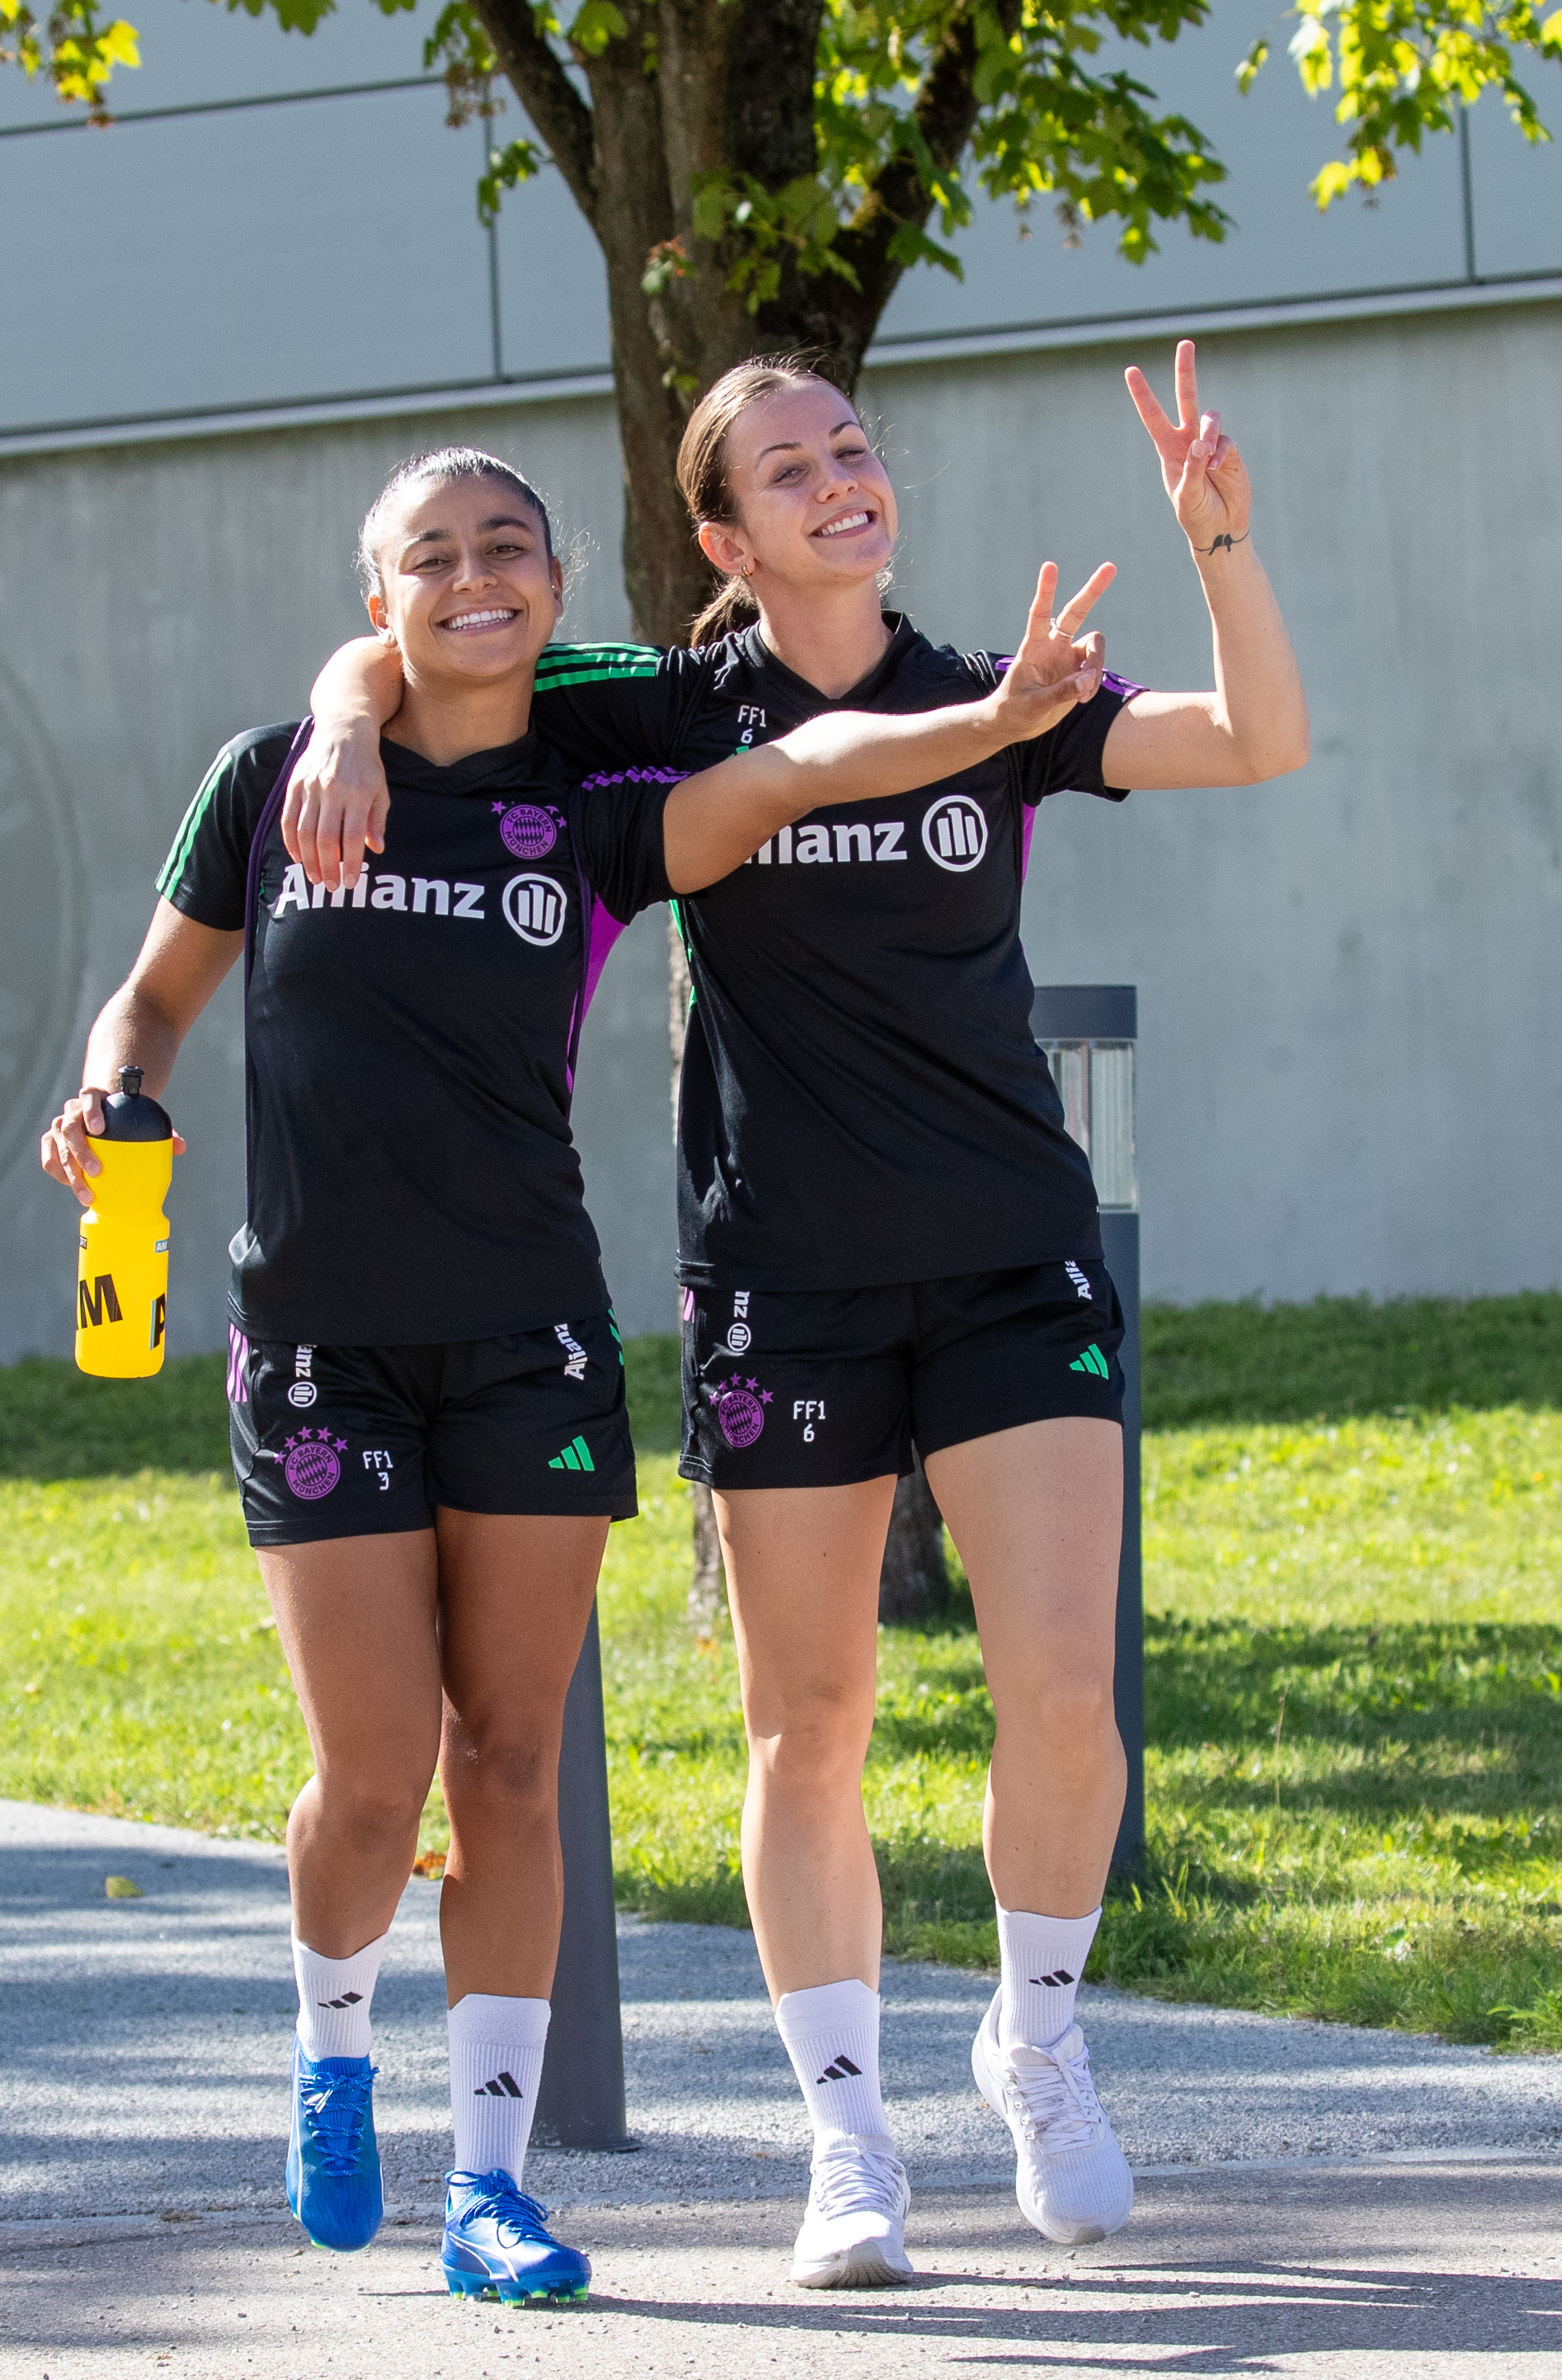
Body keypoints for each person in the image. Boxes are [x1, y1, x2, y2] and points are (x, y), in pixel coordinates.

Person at [279, 343, 1310, 2284]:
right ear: (720, 537)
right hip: (780, 1279)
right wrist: (342, 708)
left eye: (852, 446)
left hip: (1011, 1251)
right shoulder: (658, 710)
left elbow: (1255, 739)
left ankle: (1039, 2039)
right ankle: (849, 2149)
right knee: (805, 1724)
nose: (841, 478)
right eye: (789, 465)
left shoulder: (996, 689)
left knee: (1065, 1701)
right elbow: (429, 647)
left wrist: (1223, 543)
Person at [47, 446, 1115, 2304]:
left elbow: (792, 772)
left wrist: (988, 719)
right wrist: (109, 1085)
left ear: (554, 586)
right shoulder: (268, 784)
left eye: (509, 553)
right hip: (313, 1339)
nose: (476, 581)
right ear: (372, 595)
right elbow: (151, 998)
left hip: (527, 1328)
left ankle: (487, 2185)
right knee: (369, 1783)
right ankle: (326, 2048)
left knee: (516, 1762)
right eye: (430, 558)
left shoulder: (594, 790)